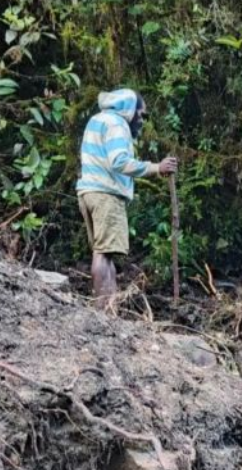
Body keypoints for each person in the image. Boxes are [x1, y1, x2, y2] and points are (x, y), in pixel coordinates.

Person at [76, 88, 177, 309]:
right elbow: (119, 161)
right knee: (103, 254)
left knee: (103, 252)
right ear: (129, 110)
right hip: (106, 194)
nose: (141, 121)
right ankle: (103, 309)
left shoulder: (97, 120)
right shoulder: (117, 124)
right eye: (141, 115)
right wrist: (156, 168)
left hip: (89, 192)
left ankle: (109, 308)